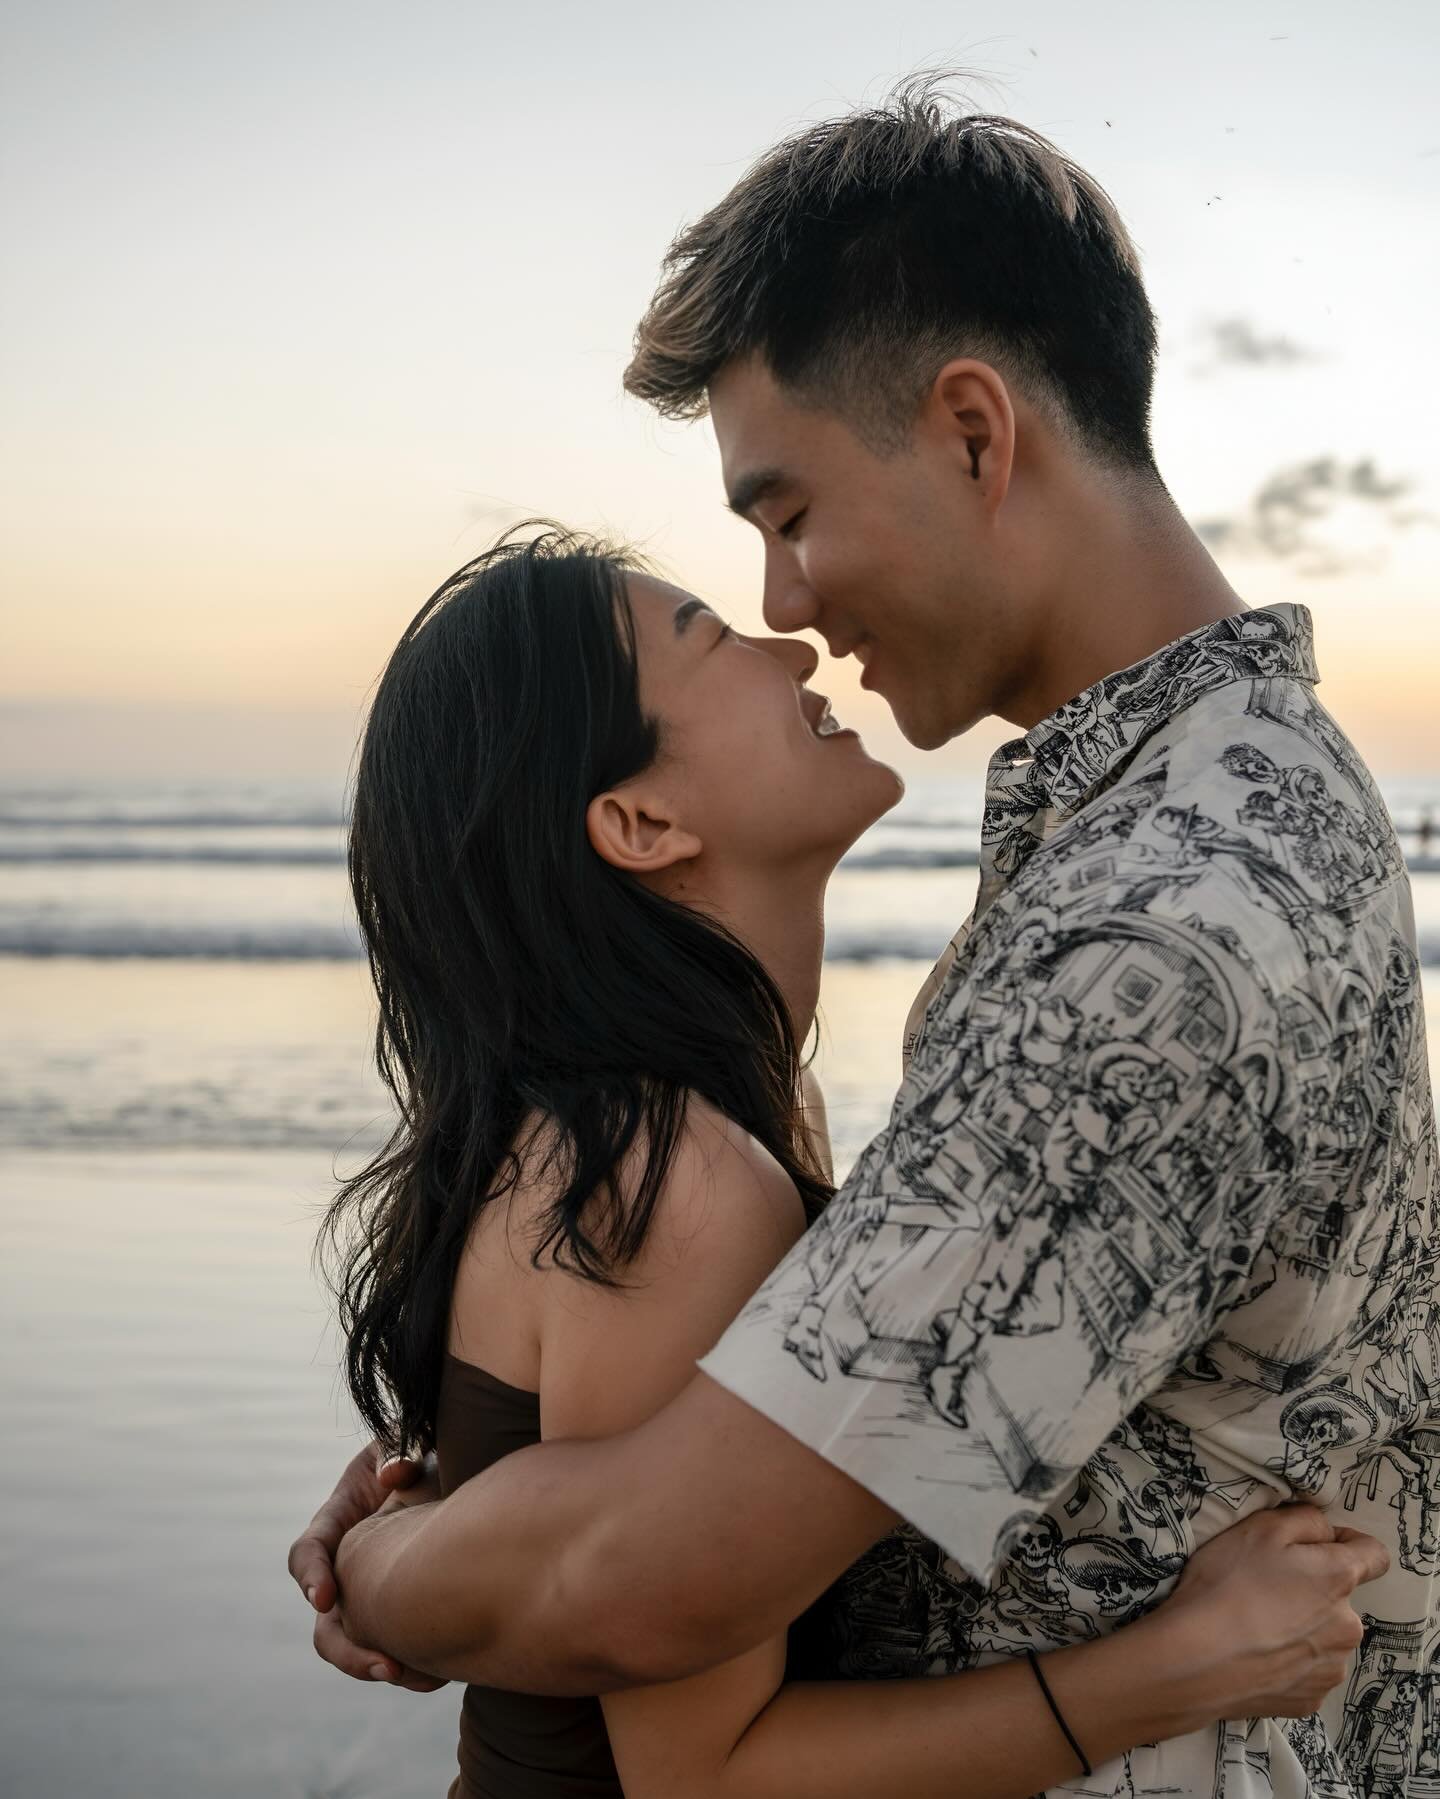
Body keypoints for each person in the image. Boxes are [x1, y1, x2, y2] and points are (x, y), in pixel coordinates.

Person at [292, 85, 1439, 1797]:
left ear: (974, 433)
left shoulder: (1158, 926)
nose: (786, 606)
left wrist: (389, 1564)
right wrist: (481, 1491)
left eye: (787, 514)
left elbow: (645, 1573)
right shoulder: (1219, 809)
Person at [311, 524, 1379, 1799]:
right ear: (642, 821)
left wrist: (413, 1535)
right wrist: (1182, 1666)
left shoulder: (694, 1122)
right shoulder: (666, 1177)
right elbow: (703, 1780)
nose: (792, 649)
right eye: (715, 639)